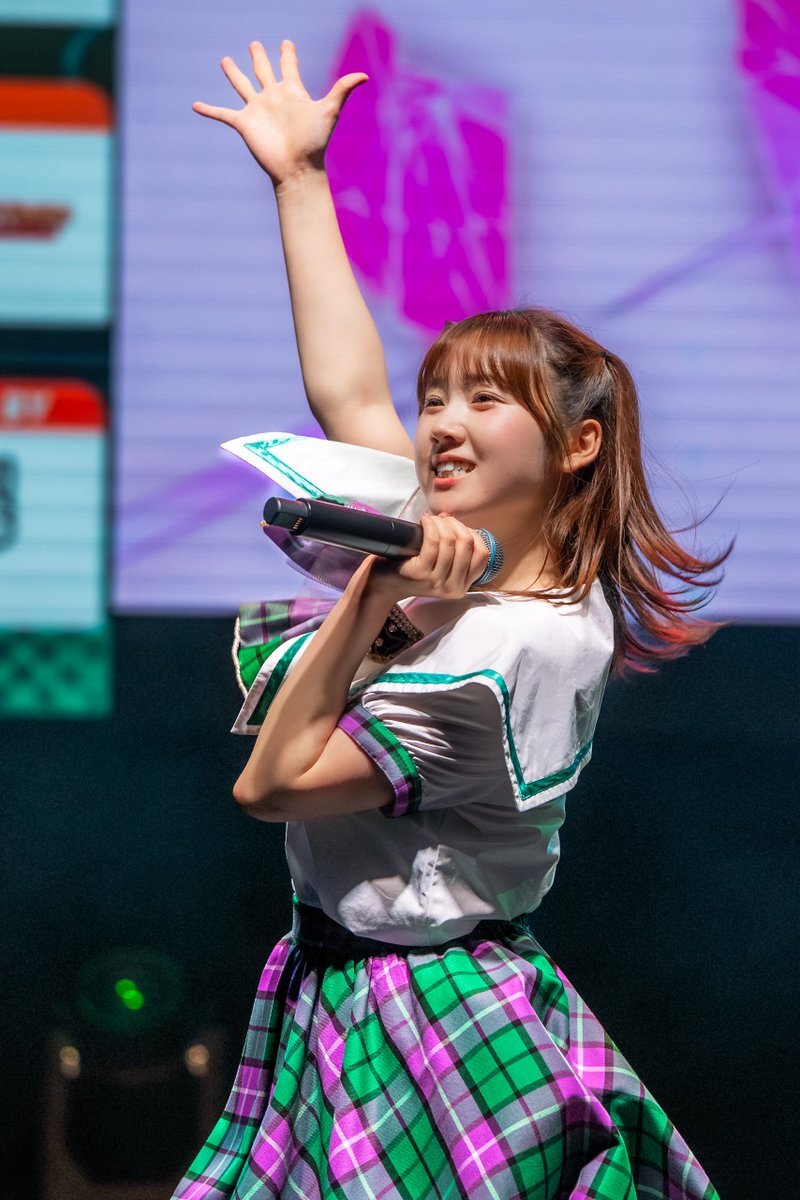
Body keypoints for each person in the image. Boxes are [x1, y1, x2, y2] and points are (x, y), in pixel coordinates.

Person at [173, 40, 727, 1200]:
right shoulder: (471, 553)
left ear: (576, 444)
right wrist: (299, 180)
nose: (440, 424)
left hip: (421, 1009)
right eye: (437, 399)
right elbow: (348, 391)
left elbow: (270, 783)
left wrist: (371, 594)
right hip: (344, 982)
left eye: (483, 399)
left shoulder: (511, 645)